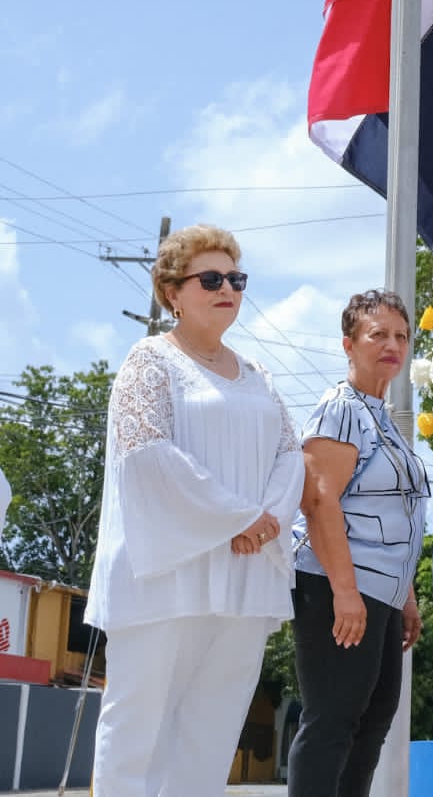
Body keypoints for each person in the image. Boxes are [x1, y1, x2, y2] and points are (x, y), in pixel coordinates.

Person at [86, 224, 305, 796]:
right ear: (172, 291)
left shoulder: (259, 376)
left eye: (236, 278)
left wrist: (268, 523)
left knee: (211, 734)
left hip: (245, 573)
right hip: (164, 574)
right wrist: (239, 518)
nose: (226, 288)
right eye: (210, 278)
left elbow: (291, 455)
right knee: (137, 729)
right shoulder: (149, 361)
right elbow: (148, 456)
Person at [288, 290, 429, 796]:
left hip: (383, 595)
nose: (392, 345)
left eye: (401, 336)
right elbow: (319, 502)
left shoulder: (384, 417)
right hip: (337, 585)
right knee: (333, 720)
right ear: (349, 344)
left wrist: (406, 597)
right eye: (378, 335)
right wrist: (345, 592)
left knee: (371, 723)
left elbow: (401, 512)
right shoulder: (340, 409)